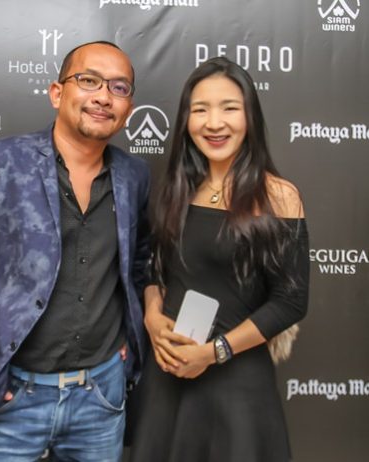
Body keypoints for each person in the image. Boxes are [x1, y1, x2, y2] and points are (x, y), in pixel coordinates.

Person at [0, 41, 150, 462]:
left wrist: (129, 336)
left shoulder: (134, 175)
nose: (104, 96)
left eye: (118, 87)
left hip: (101, 396)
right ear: (57, 92)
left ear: (128, 108)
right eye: (89, 81)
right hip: (12, 396)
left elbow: (137, 264)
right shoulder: (0, 162)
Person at [129, 57, 309, 462]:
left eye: (229, 108)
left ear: (250, 116)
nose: (214, 123)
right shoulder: (175, 189)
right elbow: (154, 269)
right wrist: (153, 317)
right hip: (168, 377)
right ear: (186, 119)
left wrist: (214, 352)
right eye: (200, 110)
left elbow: (291, 301)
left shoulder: (278, 195)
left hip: (238, 385)